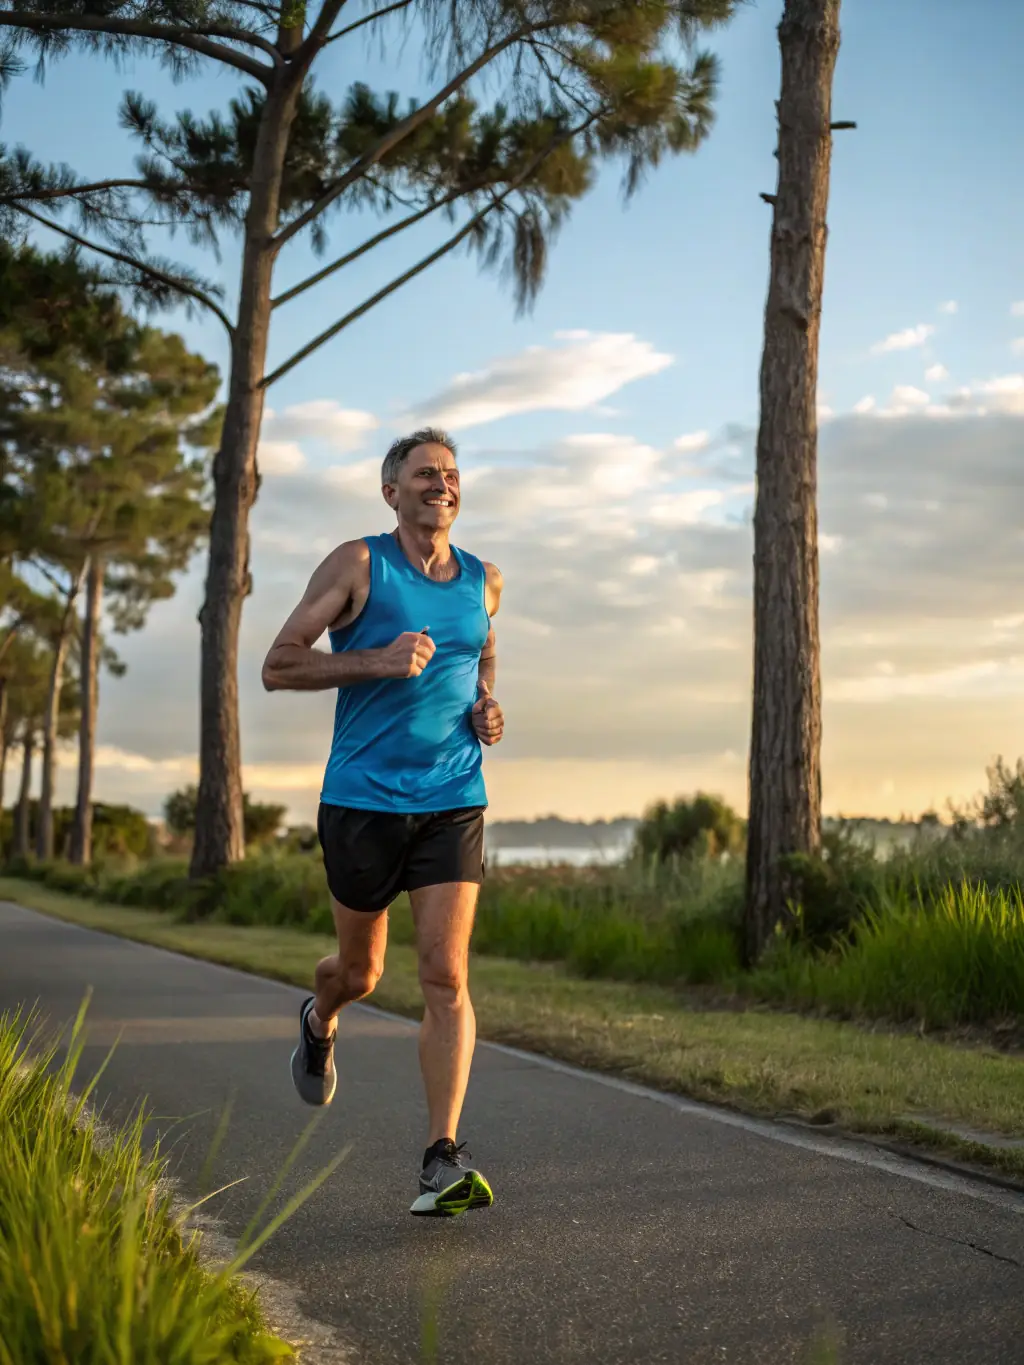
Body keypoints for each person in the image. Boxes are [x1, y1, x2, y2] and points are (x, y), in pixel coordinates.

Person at [261, 427, 504, 1217]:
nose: (443, 483)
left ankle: (441, 1156)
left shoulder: (484, 580)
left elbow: (480, 649)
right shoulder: (358, 563)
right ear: (391, 490)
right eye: (425, 472)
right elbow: (280, 662)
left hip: (452, 797)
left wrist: (486, 705)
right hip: (362, 800)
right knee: (360, 973)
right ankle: (320, 1014)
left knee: (446, 974)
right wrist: (375, 659)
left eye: (452, 473)